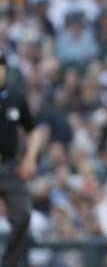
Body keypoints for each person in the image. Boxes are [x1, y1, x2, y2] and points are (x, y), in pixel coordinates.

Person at [0, 50, 45, 267]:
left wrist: (31, 157)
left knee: (23, 216)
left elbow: (33, 130)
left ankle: (7, 264)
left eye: (0, 65)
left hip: (9, 166)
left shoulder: (15, 97)